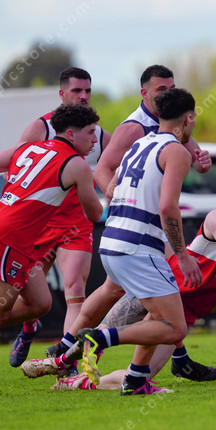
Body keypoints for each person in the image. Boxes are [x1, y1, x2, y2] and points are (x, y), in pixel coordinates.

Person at [42, 172, 216, 390]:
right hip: (164, 286)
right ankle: (60, 359)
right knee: (102, 327)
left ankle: (76, 382)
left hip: (188, 307)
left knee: (138, 373)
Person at [22, 88, 201, 396]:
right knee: (175, 327)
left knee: (142, 305)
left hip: (112, 238)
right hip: (138, 247)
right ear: (189, 119)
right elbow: (168, 207)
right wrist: (183, 256)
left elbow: (113, 185)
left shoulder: (140, 144)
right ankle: (99, 339)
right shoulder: (176, 152)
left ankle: (133, 379)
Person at [7, 67, 112, 368]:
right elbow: (13, 164)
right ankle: (30, 327)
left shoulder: (97, 134)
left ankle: (66, 365)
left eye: (88, 90)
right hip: (36, 226)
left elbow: (116, 167)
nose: (83, 96)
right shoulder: (39, 129)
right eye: (77, 90)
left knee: (74, 291)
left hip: (76, 224)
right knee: (22, 299)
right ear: (62, 93)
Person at [0, 104, 103, 334]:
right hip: (10, 239)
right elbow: (96, 214)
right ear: (71, 134)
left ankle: (29, 331)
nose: (95, 140)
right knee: (2, 309)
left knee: (40, 303)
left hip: (20, 241)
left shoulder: (26, 147)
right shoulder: (77, 164)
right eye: (90, 132)